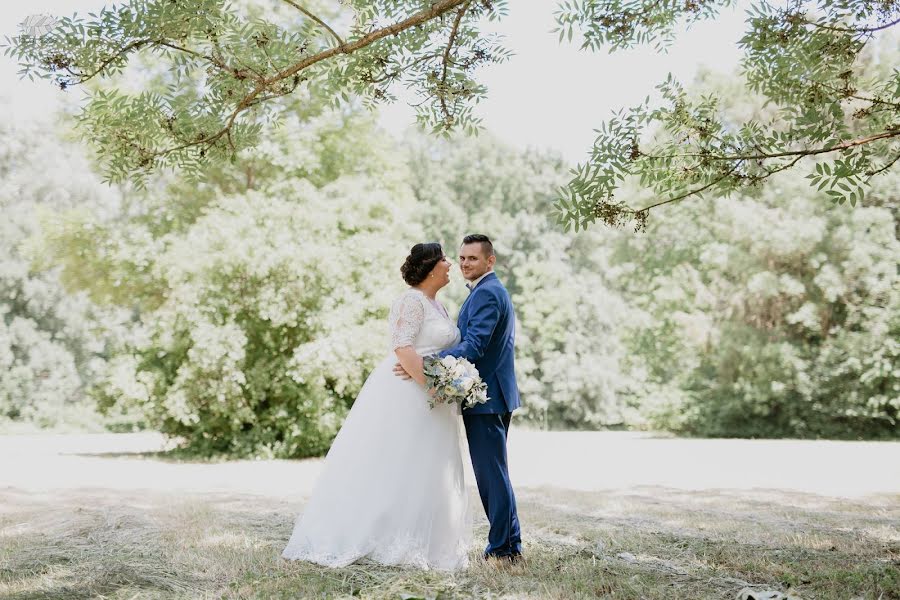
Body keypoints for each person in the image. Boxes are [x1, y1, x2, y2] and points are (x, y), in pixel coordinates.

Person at [282, 243, 471, 570]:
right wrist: (433, 387)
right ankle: (377, 537)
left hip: (432, 396)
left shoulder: (436, 306)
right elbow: (402, 347)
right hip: (407, 392)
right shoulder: (411, 301)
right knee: (395, 463)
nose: (449, 263)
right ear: (429, 267)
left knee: (427, 467)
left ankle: (427, 542)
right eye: (443, 259)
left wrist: (445, 382)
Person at [396, 234, 523, 564]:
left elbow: (474, 346)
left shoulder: (487, 293)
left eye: (473, 258)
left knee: (491, 474)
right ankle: (508, 544)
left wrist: (426, 365)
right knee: (495, 472)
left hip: (487, 397)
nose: (465, 263)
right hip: (490, 394)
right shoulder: (484, 291)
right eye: (462, 258)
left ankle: (504, 549)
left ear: (489, 261)